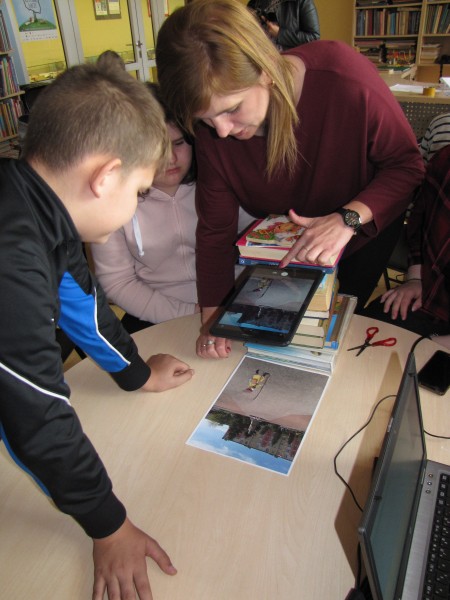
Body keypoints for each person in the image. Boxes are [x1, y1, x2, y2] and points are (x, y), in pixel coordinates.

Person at [0, 61, 195, 600]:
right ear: (105, 177)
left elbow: (82, 306)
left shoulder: (38, 202)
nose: (136, 205)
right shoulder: (11, 258)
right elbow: (34, 415)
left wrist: (136, 375)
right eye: (138, 191)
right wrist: (109, 526)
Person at [155, 0, 425, 359]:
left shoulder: (344, 79)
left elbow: (407, 166)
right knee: (285, 335)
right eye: (204, 119)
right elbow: (216, 232)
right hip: (286, 243)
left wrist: (348, 218)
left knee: (333, 331)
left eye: (232, 109)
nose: (220, 131)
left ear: (265, 68)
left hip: (362, 226)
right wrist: (213, 318)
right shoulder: (214, 132)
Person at [91, 83, 199, 334]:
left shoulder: (219, 186)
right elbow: (117, 281)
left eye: (179, 143)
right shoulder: (111, 202)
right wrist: (189, 312)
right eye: (158, 149)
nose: (171, 158)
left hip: (228, 303)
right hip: (154, 312)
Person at [363, 144, 450, 349]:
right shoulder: (445, 159)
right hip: (432, 297)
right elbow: (419, 222)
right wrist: (415, 278)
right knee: (362, 326)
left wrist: (429, 346)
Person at [247, 0, 320, 50]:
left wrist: (280, 34)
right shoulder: (254, 3)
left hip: (289, 61)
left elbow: (314, 38)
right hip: (261, 59)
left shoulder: (303, 2)